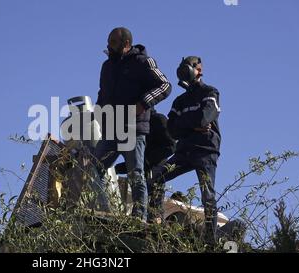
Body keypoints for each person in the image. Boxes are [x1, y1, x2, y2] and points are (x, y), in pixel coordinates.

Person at [93, 27, 172, 221]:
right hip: (112, 129)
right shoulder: (107, 66)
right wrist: (99, 112)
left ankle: (139, 217)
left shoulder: (143, 62)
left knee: (135, 173)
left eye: (113, 43)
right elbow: (102, 94)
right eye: (108, 42)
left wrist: (143, 103)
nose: (108, 46)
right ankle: (106, 210)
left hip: (133, 128)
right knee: (95, 166)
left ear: (126, 44)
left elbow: (165, 85)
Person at [147, 56, 221, 245]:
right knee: (155, 177)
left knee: (208, 196)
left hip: (205, 151)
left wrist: (188, 125)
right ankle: (153, 221)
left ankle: (210, 240)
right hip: (184, 151)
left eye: (188, 67)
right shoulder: (179, 101)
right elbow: (172, 129)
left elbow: (205, 118)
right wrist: (193, 126)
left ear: (199, 70)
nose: (183, 70)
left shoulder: (210, 92)